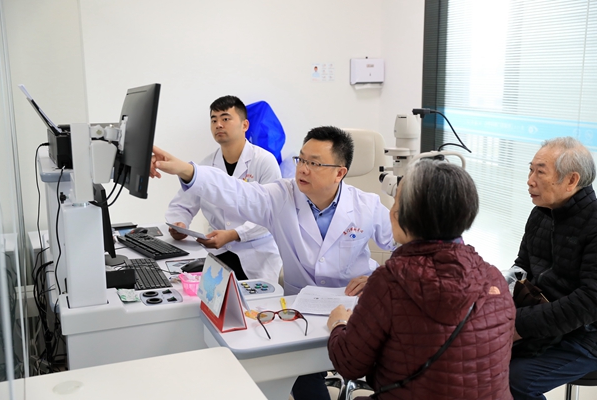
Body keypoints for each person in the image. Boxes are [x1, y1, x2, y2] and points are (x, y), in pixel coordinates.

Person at [151, 125, 395, 400]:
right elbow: (234, 191)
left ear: (340, 173)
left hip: (353, 304)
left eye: (314, 163)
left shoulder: (367, 205)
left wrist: (379, 277)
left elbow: (406, 246)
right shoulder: (280, 196)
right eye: (301, 159)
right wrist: (187, 170)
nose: (303, 169)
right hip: (301, 306)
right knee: (299, 371)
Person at [327, 159, 516, 399]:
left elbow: (349, 364)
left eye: (397, 203)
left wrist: (339, 323)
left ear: (405, 216)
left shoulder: (389, 282)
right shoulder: (494, 278)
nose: (391, 211)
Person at [509, 137, 597, 400]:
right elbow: (522, 267)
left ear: (571, 180)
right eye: (530, 170)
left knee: (515, 381)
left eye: (540, 172)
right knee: (475, 356)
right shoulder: (541, 212)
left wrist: (519, 325)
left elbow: (589, 302)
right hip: (544, 324)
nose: (530, 180)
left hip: (586, 334)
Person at [166, 95, 281, 281]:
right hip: (218, 252)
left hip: (256, 254)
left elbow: (272, 215)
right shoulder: (206, 164)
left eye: (225, 119)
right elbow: (182, 205)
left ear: (245, 125)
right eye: (214, 120)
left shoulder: (264, 161)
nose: (218, 125)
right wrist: (180, 224)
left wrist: (233, 234)